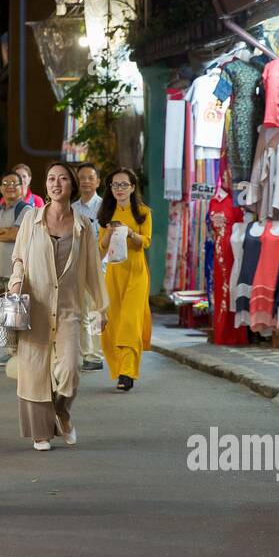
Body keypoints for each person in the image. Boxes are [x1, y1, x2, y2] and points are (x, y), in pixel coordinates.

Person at [8, 161, 108, 450]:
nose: (55, 183)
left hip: (69, 307)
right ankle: (41, 432)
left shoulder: (83, 226)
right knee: (35, 369)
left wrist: (101, 308)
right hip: (35, 303)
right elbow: (19, 257)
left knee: (71, 369)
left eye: (62, 179)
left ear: (71, 185)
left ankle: (62, 410)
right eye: (51, 178)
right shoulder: (31, 219)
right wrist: (16, 281)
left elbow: (92, 269)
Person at [98, 168, 152, 391]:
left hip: (136, 272)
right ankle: (119, 368)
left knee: (130, 321)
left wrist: (130, 233)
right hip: (114, 272)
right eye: (114, 185)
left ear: (132, 187)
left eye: (123, 184)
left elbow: (146, 242)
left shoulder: (143, 212)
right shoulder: (106, 214)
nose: (119, 189)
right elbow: (101, 249)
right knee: (115, 322)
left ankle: (128, 373)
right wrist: (110, 233)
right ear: (110, 189)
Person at [0, 170, 30, 366]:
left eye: (14, 183)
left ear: (21, 188)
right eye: (6, 183)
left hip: (16, 271)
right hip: (0, 269)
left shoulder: (26, 210)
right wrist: (5, 231)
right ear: (0, 187)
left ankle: (18, 353)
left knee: (16, 312)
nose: (10, 186)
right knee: (3, 312)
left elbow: (15, 235)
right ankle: (10, 351)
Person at [72, 162, 105, 372]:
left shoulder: (105, 207)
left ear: (98, 182)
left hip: (99, 267)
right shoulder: (72, 208)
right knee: (81, 310)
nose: (85, 181)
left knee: (96, 311)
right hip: (76, 266)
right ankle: (84, 353)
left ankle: (95, 355)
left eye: (90, 178)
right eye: (82, 178)